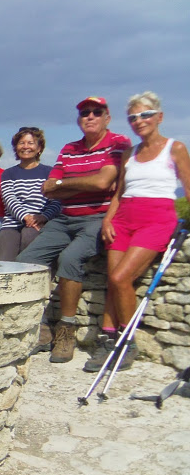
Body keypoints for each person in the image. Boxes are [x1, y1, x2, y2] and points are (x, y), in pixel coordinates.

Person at [17, 96, 131, 363]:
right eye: (84, 113)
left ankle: (66, 331)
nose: (90, 117)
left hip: (97, 218)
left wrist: (66, 184)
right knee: (26, 262)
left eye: (96, 112)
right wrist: (81, 183)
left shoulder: (118, 143)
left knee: (70, 258)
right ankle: (42, 327)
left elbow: (104, 183)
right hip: (65, 218)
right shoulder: (69, 148)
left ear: (107, 117)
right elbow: (47, 188)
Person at [84, 91, 190, 372]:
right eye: (133, 117)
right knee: (113, 280)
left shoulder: (175, 148)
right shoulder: (130, 153)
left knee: (121, 277)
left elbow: (188, 188)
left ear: (159, 117)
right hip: (124, 218)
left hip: (157, 219)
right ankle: (108, 339)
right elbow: (120, 191)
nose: (139, 121)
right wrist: (108, 219)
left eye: (145, 114)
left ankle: (127, 342)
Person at [0, 128, 60, 261]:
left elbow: (56, 201)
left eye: (30, 143)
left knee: (30, 238)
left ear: (39, 148)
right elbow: (9, 199)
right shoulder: (8, 174)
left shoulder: (50, 172)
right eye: (21, 143)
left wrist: (43, 216)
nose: (26, 147)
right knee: (6, 253)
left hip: (40, 222)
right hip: (13, 222)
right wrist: (25, 217)